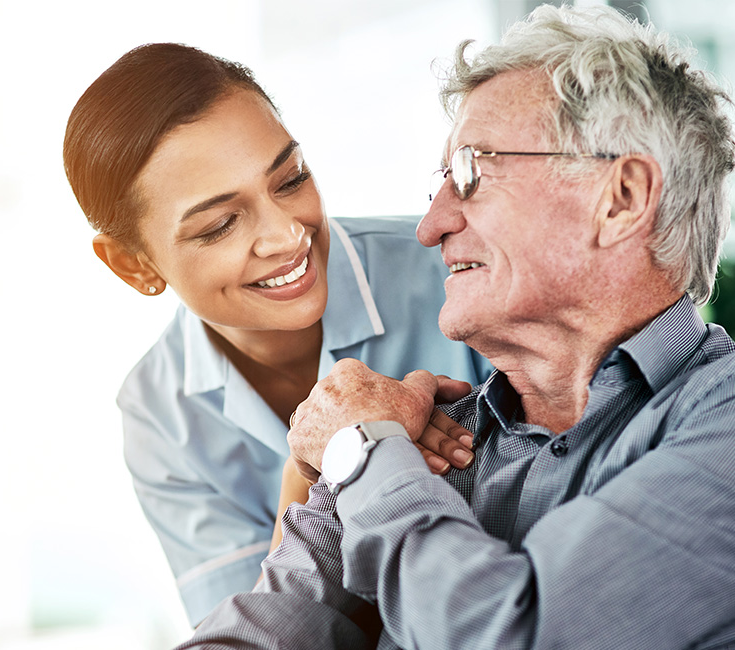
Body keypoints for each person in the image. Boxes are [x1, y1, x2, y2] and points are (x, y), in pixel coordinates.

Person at [176, 5, 735, 648]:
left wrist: (357, 452)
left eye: (470, 172)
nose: (430, 226)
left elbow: (515, 636)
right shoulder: (418, 440)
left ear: (622, 198)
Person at [62, 43, 491, 626]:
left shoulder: (450, 270)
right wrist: (314, 462)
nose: (288, 235)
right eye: (220, 224)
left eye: (290, 180)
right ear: (134, 265)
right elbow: (257, 634)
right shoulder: (157, 415)